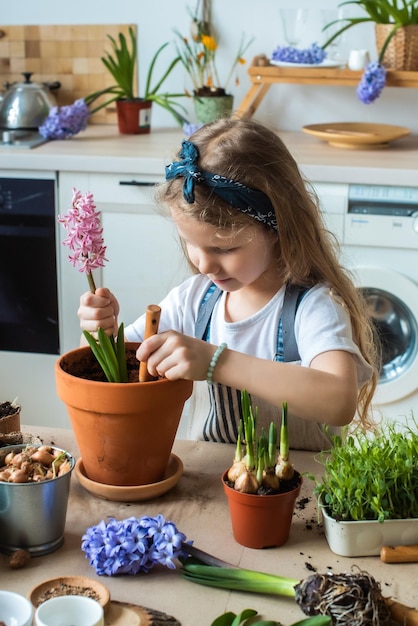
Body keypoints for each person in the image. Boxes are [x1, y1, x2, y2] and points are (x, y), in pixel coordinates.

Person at [77, 117, 379, 450]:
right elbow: (115, 372)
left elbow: (338, 402)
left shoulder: (311, 307)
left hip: (298, 493)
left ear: (277, 228)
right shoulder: (194, 301)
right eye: (191, 243)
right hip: (209, 487)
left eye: (224, 248)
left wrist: (216, 362)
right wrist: (99, 334)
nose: (203, 264)